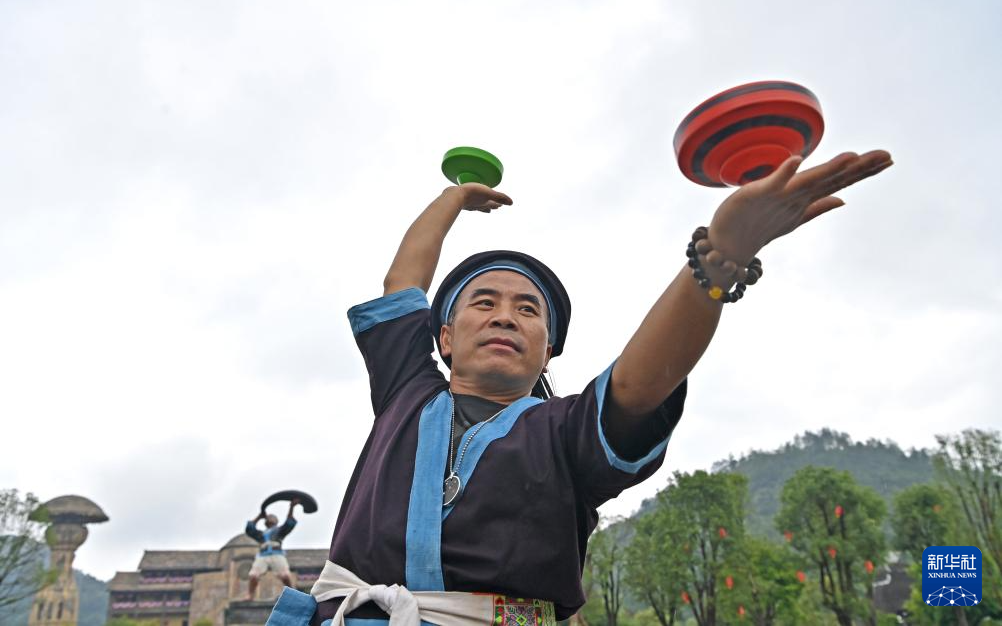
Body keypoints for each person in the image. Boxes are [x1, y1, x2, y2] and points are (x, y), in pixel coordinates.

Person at [266, 150, 893, 626]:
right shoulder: (406, 392)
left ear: (547, 350)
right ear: (445, 338)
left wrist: (718, 259)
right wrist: (450, 200)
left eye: (527, 310)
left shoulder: (565, 432)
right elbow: (403, 283)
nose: (505, 316)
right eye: (483, 302)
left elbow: (641, 382)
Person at [246, 499, 300, 600]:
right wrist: (259, 516)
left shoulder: (279, 531)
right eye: (268, 517)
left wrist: (292, 507)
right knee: (253, 575)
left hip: (277, 553)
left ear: (276, 521)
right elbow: (250, 528)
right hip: (263, 555)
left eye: (272, 517)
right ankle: (250, 594)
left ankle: (293, 594)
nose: (270, 517)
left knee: (285, 575)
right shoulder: (261, 534)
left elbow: (289, 523)